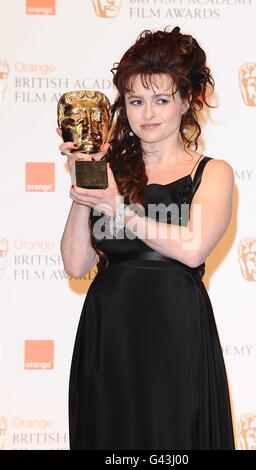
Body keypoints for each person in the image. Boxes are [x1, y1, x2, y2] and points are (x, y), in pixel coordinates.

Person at [58, 26, 235, 450]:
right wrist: (88, 176)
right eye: (136, 101)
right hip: (109, 333)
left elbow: (192, 249)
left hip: (175, 334)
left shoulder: (212, 172)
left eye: (161, 99)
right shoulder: (110, 171)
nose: (148, 113)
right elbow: (75, 264)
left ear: (186, 101)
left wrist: (121, 210)